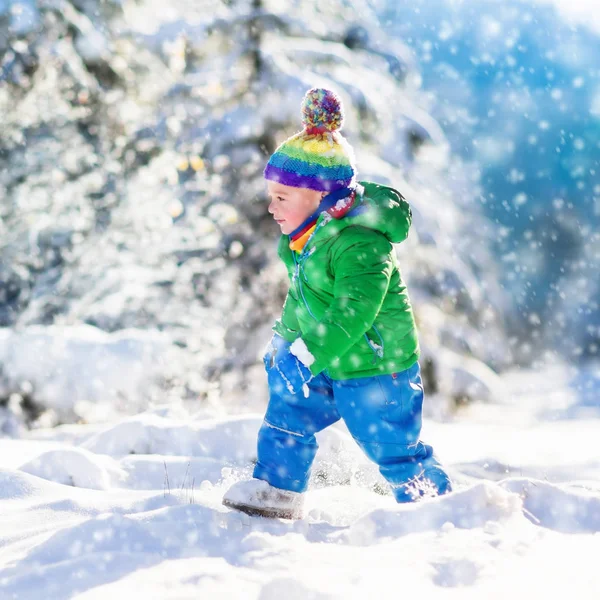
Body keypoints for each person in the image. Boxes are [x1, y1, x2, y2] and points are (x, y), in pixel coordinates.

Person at [223, 88, 452, 519]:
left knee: (389, 443)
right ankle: (277, 488)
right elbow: (301, 303)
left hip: (374, 367)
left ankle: (435, 506)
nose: (271, 208)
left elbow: (353, 311)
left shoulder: (361, 245)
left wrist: (306, 353)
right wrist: (283, 342)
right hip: (326, 360)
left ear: (319, 197)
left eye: (281, 198)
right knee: (288, 408)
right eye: (271, 196)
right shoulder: (304, 242)